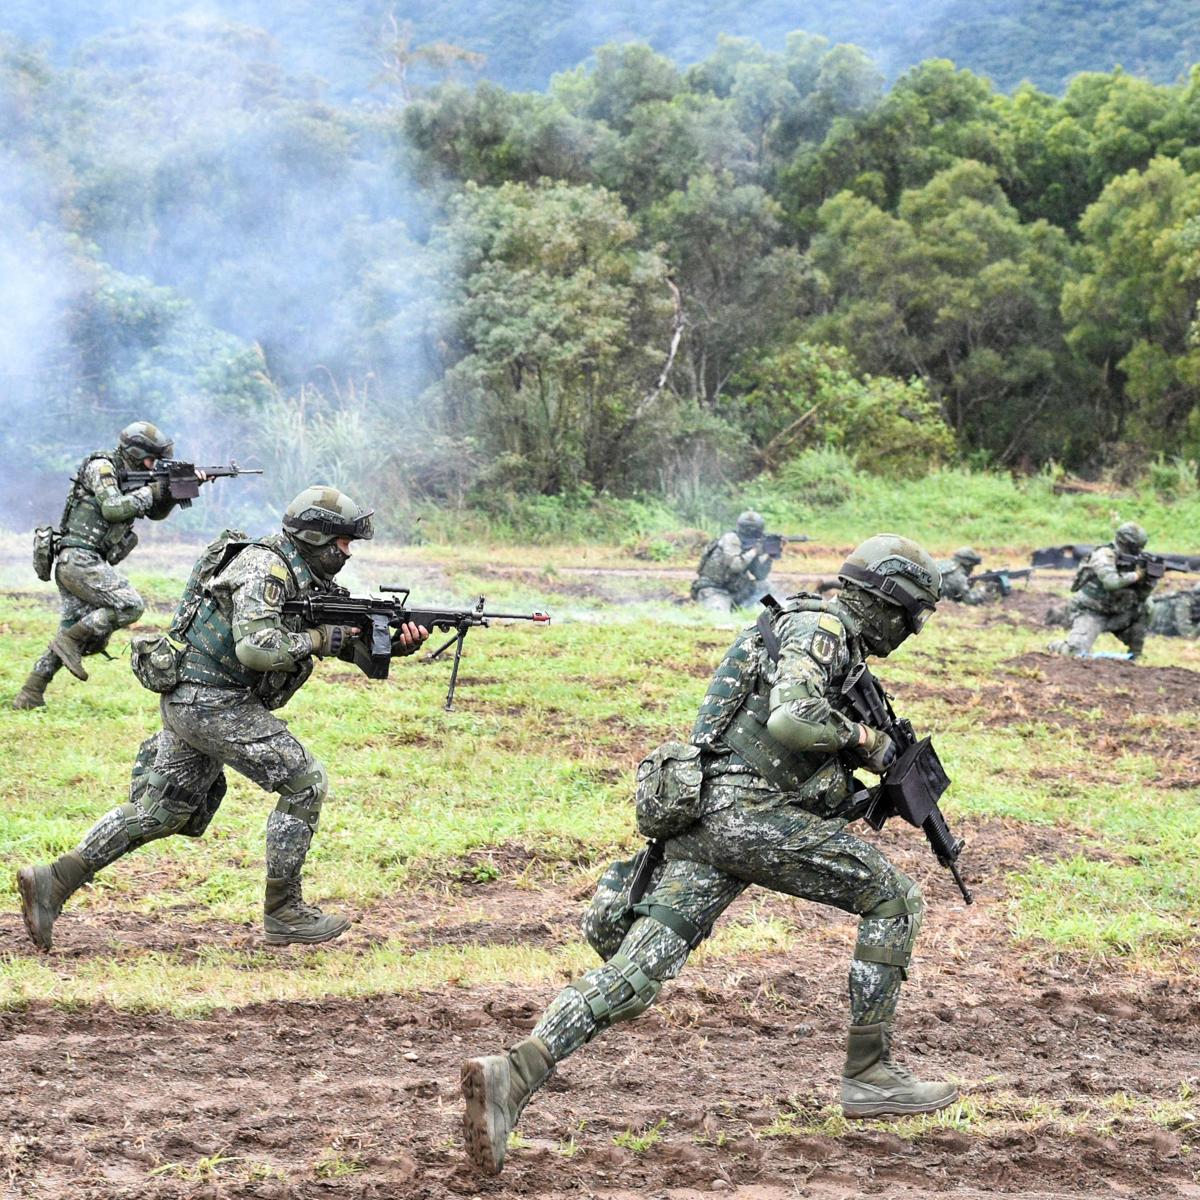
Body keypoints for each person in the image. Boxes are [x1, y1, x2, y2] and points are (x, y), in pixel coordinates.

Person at [461, 534, 957, 1177]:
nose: (914, 628)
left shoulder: (812, 633)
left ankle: (512, 1075)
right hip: (746, 818)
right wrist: (864, 740)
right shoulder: (821, 631)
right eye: (913, 612)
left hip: (707, 822)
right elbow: (791, 721)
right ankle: (869, 1074)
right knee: (894, 896)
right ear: (887, 601)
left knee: (638, 976)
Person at [16, 486, 430, 950]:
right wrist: (318, 640)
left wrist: (393, 642)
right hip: (211, 701)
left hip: (197, 700)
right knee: (305, 782)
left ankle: (52, 881)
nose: (348, 553)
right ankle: (284, 911)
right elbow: (256, 649)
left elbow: (348, 644)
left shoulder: (304, 573)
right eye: (343, 542)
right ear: (316, 536)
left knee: (161, 812)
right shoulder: (265, 569)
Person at [13, 422, 200, 710]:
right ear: (137, 453)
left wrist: (176, 490)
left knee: (68, 630)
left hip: (84, 561)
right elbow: (113, 508)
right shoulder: (102, 467)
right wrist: (153, 490)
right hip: (78, 559)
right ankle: (71, 643)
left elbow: (155, 513)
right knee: (129, 606)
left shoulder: (132, 474)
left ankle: (30, 694)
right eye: (152, 459)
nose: (154, 465)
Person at [1048, 522, 1156, 659]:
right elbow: (1111, 582)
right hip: (1091, 611)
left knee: (1147, 605)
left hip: (1118, 612)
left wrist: (1149, 580)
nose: (1139, 550)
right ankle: (1055, 646)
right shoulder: (1103, 554)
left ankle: (1136, 655)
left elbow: (1141, 596)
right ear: (1125, 542)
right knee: (1074, 653)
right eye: (1136, 547)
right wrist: (1137, 575)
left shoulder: (1136, 561)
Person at [691, 509, 776, 614]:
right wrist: (754, 551)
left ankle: (778, 615)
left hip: (737, 590)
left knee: (766, 587)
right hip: (715, 589)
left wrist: (770, 556)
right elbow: (735, 566)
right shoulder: (730, 539)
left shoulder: (755, 545)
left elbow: (760, 575)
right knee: (718, 616)